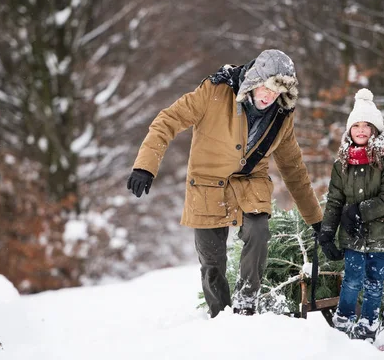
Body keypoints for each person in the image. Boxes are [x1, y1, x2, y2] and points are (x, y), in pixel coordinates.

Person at [127, 49, 323, 318]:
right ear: (254, 81)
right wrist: (145, 166)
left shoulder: (281, 117)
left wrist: (315, 218)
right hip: (207, 186)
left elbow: (294, 169)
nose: (269, 96)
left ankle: (246, 302)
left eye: (277, 92)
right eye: (266, 88)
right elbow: (167, 121)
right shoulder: (214, 91)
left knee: (258, 232)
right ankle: (219, 316)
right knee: (212, 261)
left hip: (250, 184)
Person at [316, 88, 384, 341]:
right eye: (356, 125)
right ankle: (343, 321)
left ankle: (368, 324)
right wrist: (326, 232)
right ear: (349, 131)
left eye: (367, 125)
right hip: (353, 237)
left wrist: (358, 210)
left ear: (376, 130)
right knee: (352, 279)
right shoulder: (341, 165)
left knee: (373, 282)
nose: (361, 130)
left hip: (382, 235)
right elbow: (335, 200)